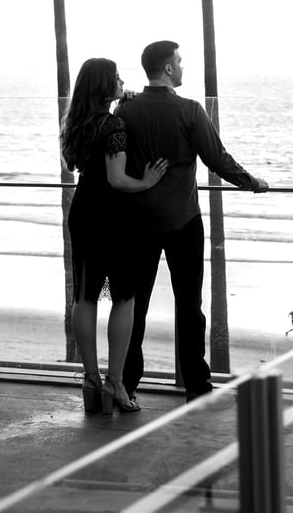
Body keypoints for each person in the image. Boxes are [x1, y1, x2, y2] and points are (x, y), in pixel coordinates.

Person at [116, 41, 269, 403]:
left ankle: (127, 384)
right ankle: (196, 386)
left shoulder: (126, 111)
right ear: (168, 69)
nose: (183, 67)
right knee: (189, 305)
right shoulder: (190, 110)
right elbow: (217, 159)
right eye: (180, 62)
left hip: (139, 222)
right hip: (183, 221)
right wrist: (251, 182)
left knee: (135, 305)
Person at [61, 57, 168, 415]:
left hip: (83, 211)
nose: (123, 81)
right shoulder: (113, 125)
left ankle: (91, 380)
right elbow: (117, 179)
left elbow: (76, 166)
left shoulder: (75, 123)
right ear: (104, 84)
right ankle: (116, 383)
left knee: (86, 295)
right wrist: (147, 182)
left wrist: (122, 101)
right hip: (113, 215)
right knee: (124, 297)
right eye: (118, 78)